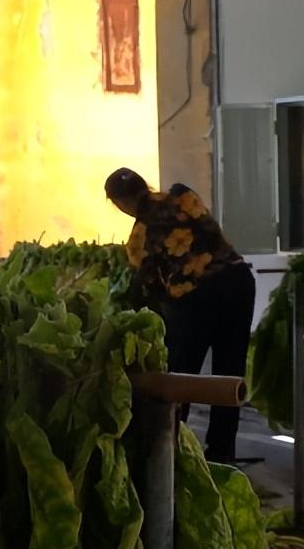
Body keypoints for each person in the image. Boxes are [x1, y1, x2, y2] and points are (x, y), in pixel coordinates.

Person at [105, 167, 254, 463]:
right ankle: (222, 454)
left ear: (120, 203)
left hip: (197, 299)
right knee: (229, 373)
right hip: (238, 282)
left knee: (180, 377)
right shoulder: (183, 195)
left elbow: (152, 292)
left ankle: (172, 452)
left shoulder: (138, 239)